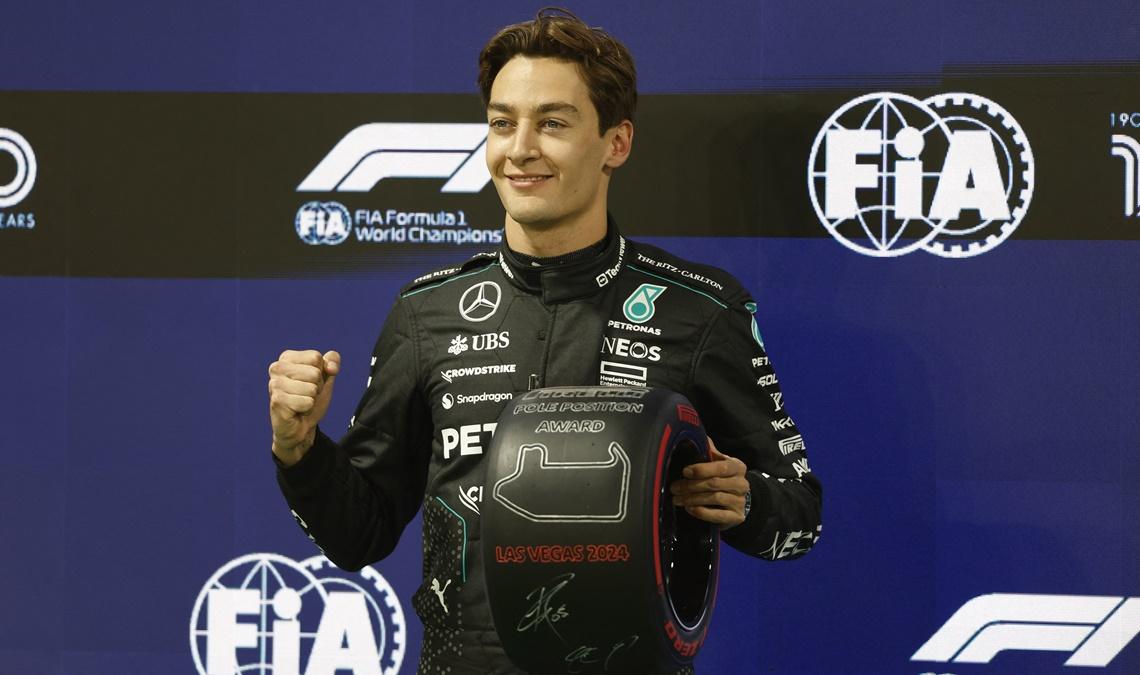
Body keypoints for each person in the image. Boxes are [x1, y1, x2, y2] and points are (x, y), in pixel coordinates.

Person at [268, 8, 821, 674]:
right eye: (503, 122)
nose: (520, 148)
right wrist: (299, 448)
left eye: (552, 123)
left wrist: (747, 499)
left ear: (615, 143)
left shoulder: (698, 310)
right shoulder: (425, 312)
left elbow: (799, 517)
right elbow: (360, 533)